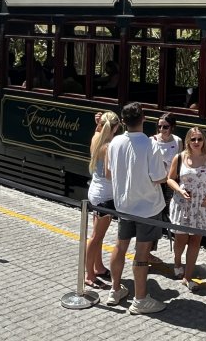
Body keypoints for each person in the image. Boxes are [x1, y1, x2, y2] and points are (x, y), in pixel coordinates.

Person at [105, 102, 167, 314]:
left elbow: (110, 173)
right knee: (141, 253)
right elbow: (159, 177)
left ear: (123, 122)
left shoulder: (114, 143)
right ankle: (140, 299)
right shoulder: (151, 145)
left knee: (120, 246)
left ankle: (115, 290)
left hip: (124, 205)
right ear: (144, 119)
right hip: (147, 207)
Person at [167, 127, 206, 291]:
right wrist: (179, 190)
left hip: (201, 205)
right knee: (181, 239)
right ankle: (177, 261)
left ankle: (187, 276)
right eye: (193, 139)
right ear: (188, 141)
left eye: (199, 139)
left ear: (204, 141)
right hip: (183, 204)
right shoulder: (180, 157)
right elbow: (170, 179)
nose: (196, 142)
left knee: (196, 240)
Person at [85, 110, 121, 289]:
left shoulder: (96, 138)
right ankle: (89, 274)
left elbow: (98, 131)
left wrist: (97, 123)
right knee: (96, 237)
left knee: (97, 235)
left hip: (95, 190)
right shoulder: (109, 146)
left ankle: (98, 267)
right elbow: (109, 174)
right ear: (115, 128)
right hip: (105, 195)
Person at [150, 113, 181, 263]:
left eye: (165, 127)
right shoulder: (152, 141)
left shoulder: (177, 141)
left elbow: (180, 162)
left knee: (170, 215)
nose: (162, 130)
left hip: (171, 182)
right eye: (159, 126)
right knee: (154, 215)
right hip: (156, 183)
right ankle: (148, 249)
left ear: (172, 127)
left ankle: (176, 254)